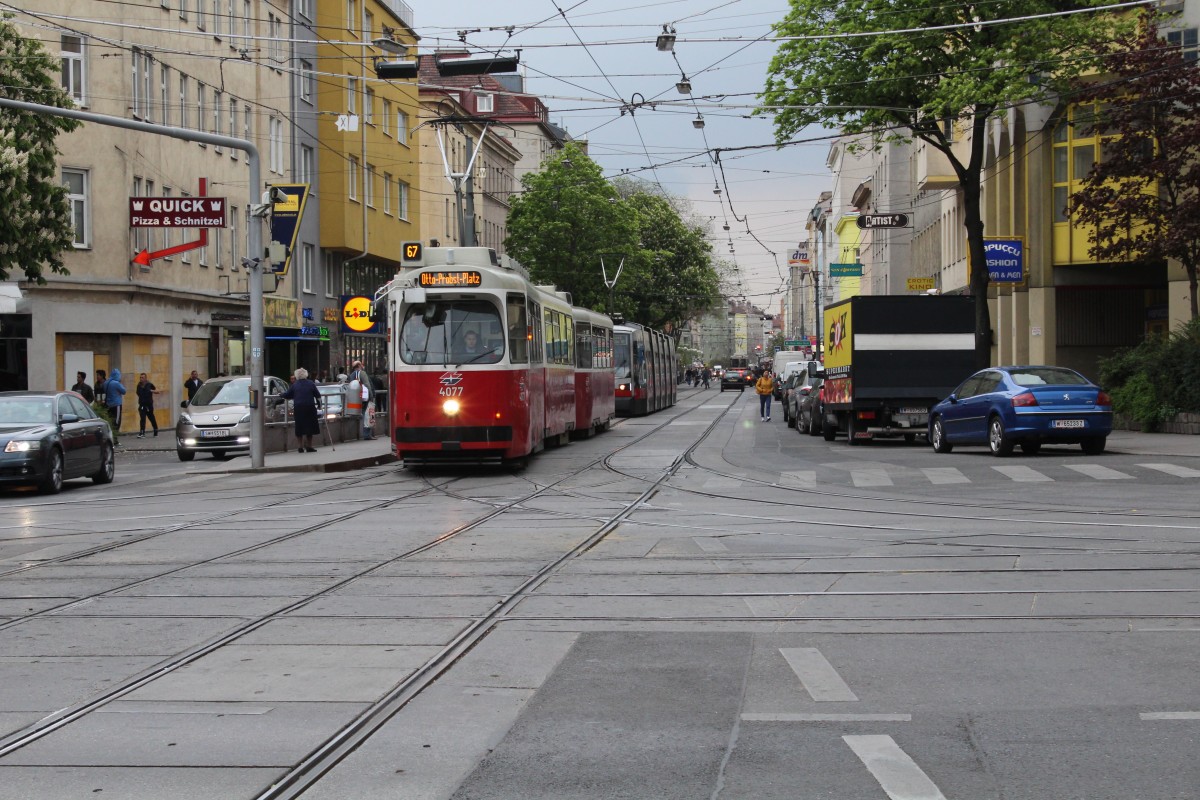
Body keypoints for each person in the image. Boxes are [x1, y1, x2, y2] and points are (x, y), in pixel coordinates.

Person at [282, 367, 323, 452]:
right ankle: (309, 446)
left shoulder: (295, 385)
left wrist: (281, 394)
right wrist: (319, 405)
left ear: (297, 375)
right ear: (306, 375)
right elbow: (318, 396)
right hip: (310, 407)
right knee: (310, 427)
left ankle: (300, 446)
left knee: (299, 427)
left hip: (299, 407)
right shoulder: (311, 383)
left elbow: (288, 395)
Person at [347, 360, 375, 439]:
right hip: (365, 397)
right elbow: (367, 384)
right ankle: (366, 434)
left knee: (360, 414)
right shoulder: (362, 373)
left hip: (356, 398)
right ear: (359, 366)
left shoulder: (352, 375)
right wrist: (371, 396)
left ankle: (357, 434)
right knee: (367, 415)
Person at [134, 373, 164, 437]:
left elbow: (156, 391)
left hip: (149, 405)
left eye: (142, 377)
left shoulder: (149, 384)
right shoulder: (139, 385)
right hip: (142, 405)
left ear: (145, 378)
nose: (141, 379)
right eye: (140, 377)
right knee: (142, 418)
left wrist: (152, 391)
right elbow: (138, 393)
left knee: (151, 418)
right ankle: (142, 432)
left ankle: (155, 430)